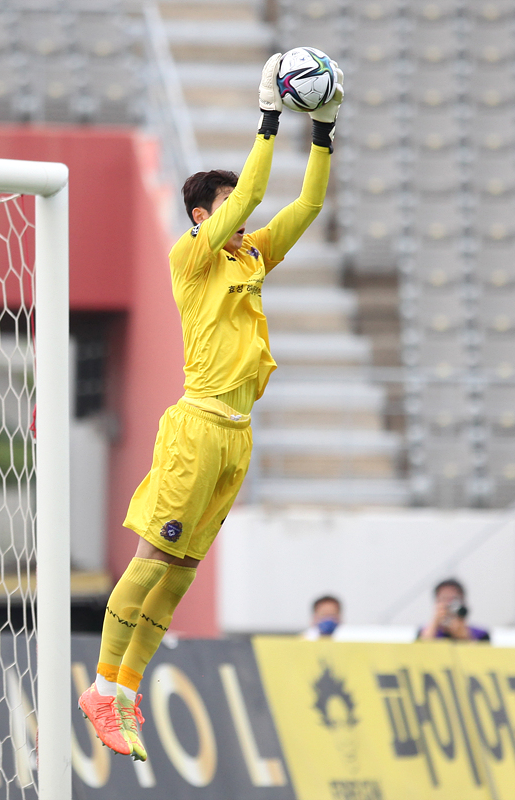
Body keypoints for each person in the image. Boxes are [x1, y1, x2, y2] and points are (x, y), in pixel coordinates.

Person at [77, 53, 344, 762]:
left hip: (237, 436)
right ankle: (99, 686)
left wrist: (322, 133)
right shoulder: (190, 258)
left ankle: (125, 693)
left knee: (182, 572)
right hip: (196, 427)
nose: (243, 217)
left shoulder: (248, 257)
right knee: (152, 558)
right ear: (204, 216)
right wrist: (269, 117)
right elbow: (253, 193)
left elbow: (307, 207)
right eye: (228, 208)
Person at [417, 578, 490, 642]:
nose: (449, 604)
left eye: (454, 599)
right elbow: (422, 647)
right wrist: (435, 622)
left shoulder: (481, 634)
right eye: (444, 598)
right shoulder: (424, 631)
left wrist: (464, 636)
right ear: (436, 602)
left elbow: (480, 651)